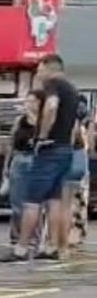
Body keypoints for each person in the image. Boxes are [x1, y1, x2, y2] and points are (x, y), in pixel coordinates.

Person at [0, 54, 80, 262]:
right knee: (55, 200)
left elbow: (51, 106)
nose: (38, 74)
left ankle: (21, 248)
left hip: (49, 150)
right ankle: (53, 246)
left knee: (31, 201)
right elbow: (74, 125)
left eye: (40, 69)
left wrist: (42, 137)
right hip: (65, 150)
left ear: (50, 68)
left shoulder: (52, 84)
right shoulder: (72, 89)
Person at [2, 90, 45, 247]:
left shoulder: (44, 121)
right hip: (20, 160)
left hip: (36, 160)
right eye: (27, 101)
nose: (28, 104)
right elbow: (11, 144)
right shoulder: (20, 121)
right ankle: (17, 236)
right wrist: (7, 165)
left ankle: (34, 236)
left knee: (35, 202)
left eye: (32, 101)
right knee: (17, 201)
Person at [66, 97, 91, 247]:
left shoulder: (76, 127)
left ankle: (73, 235)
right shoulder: (81, 127)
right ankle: (75, 235)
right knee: (78, 203)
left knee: (74, 203)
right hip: (81, 166)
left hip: (75, 166)